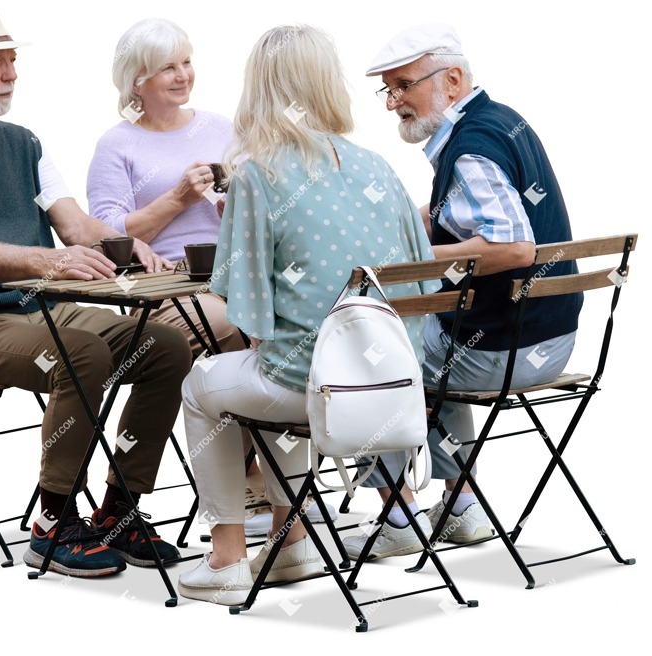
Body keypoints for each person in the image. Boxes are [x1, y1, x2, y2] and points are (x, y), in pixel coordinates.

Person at [0, 8, 192, 578]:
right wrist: (47, 260)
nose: (11, 73)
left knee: (168, 344)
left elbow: (75, 227)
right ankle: (52, 520)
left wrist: (129, 244)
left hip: (45, 311)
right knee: (80, 353)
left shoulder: (25, 143)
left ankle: (119, 512)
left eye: (13, 60)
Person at [176, 24, 438, 605]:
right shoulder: (378, 167)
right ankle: (290, 537)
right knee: (283, 367)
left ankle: (226, 557)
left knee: (209, 382)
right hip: (393, 383)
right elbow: (423, 275)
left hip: (320, 389)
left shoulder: (257, 174)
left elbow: (244, 306)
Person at [342, 22, 582, 559]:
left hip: (503, 353)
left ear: (451, 79)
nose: (392, 103)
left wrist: (409, 259)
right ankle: (461, 506)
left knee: (361, 361)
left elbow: (515, 246)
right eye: (389, 89)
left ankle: (397, 517)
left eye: (403, 86)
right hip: (551, 340)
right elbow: (467, 213)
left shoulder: (470, 149)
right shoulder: (499, 121)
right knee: (429, 343)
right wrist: (405, 227)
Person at [87, 17, 336, 533]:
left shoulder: (221, 128)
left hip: (230, 274)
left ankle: (263, 488)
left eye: (186, 62)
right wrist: (176, 199)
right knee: (250, 333)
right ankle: (271, 490)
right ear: (137, 81)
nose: (183, 75)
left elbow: (260, 196)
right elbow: (105, 232)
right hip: (161, 286)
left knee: (264, 336)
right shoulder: (117, 144)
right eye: (167, 69)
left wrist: (234, 207)